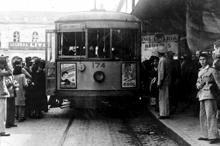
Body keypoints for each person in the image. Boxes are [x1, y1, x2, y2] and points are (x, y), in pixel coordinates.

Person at [196, 53, 219, 144]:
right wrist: (198, 85)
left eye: (204, 59)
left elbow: (218, 83)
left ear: (208, 60)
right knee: (202, 115)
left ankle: (214, 136)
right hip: (201, 95)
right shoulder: (200, 71)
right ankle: (205, 135)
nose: (202, 61)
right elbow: (198, 83)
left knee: (210, 115)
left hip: (210, 95)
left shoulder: (212, 70)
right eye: (200, 59)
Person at [157, 46, 172, 119]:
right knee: (166, 98)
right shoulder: (167, 60)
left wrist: (159, 83)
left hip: (163, 83)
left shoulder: (161, 60)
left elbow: (161, 73)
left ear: (159, 53)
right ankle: (167, 113)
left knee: (162, 99)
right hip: (167, 82)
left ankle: (163, 114)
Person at [0, 56, 11, 136]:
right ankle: (2, 131)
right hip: (1, 94)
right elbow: (10, 72)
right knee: (2, 114)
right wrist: (6, 64)